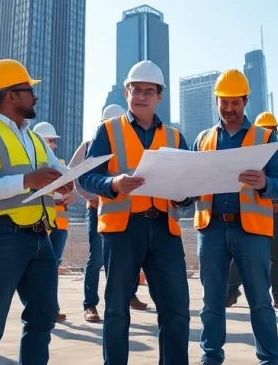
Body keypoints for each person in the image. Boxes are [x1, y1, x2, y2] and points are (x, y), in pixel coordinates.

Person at [0, 59, 73, 365]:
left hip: (40, 238)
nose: (34, 97)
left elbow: (58, 169)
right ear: (10, 95)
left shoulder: (34, 138)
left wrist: (67, 181)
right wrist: (26, 181)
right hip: (1, 236)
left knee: (43, 318)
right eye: (28, 90)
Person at [78, 60, 193, 365]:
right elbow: (86, 177)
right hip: (122, 229)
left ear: (159, 97)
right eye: (135, 90)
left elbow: (188, 189)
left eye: (148, 91)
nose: (141, 96)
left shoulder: (176, 137)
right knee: (116, 309)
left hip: (165, 232)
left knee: (177, 309)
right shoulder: (107, 131)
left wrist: (184, 196)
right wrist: (113, 182)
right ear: (127, 92)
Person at [193, 70, 278, 365]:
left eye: (235, 102)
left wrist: (263, 184)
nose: (229, 109)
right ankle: (211, 357)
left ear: (246, 101)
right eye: (224, 102)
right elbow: (190, 182)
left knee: (260, 300)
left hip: (252, 231)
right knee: (211, 303)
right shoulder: (203, 139)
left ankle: (270, 360)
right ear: (216, 101)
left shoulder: (264, 138)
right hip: (211, 229)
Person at [70, 104, 149, 324]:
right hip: (98, 210)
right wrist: (90, 197)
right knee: (96, 259)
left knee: (131, 258)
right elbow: (75, 175)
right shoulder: (90, 145)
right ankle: (90, 305)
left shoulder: (130, 140)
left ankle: (131, 295)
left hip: (126, 210)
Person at [226, 111, 278, 313]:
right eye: (263, 129)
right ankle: (230, 291)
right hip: (251, 212)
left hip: (275, 213)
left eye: (270, 129)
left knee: (275, 257)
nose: (267, 132)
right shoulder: (246, 152)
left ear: (275, 131)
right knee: (241, 254)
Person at [32, 120, 79, 322]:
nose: (55, 145)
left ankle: (51, 307)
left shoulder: (58, 166)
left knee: (52, 267)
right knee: (41, 268)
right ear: (41, 142)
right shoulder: (32, 168)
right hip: (42, 225)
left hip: (59, 226)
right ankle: (43, 307)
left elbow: (73, 186)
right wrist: (58, 195)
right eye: (51, 141)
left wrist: (73, 193)